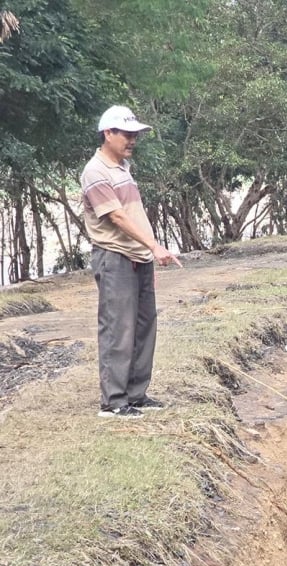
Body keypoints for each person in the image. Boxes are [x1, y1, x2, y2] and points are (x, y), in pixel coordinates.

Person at [80, 105, 183, 418]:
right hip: (115, 258)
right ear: (108, 133)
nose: (133, 140)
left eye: (135, 135)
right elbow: (116, 217)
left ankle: (136, 395)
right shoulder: (95, 171)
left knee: (144, 325)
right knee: (118, 328)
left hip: (137, 258)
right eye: (127, 134)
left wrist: (146, 254)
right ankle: (113, 402)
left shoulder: (123, 168)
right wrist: (154, 246)